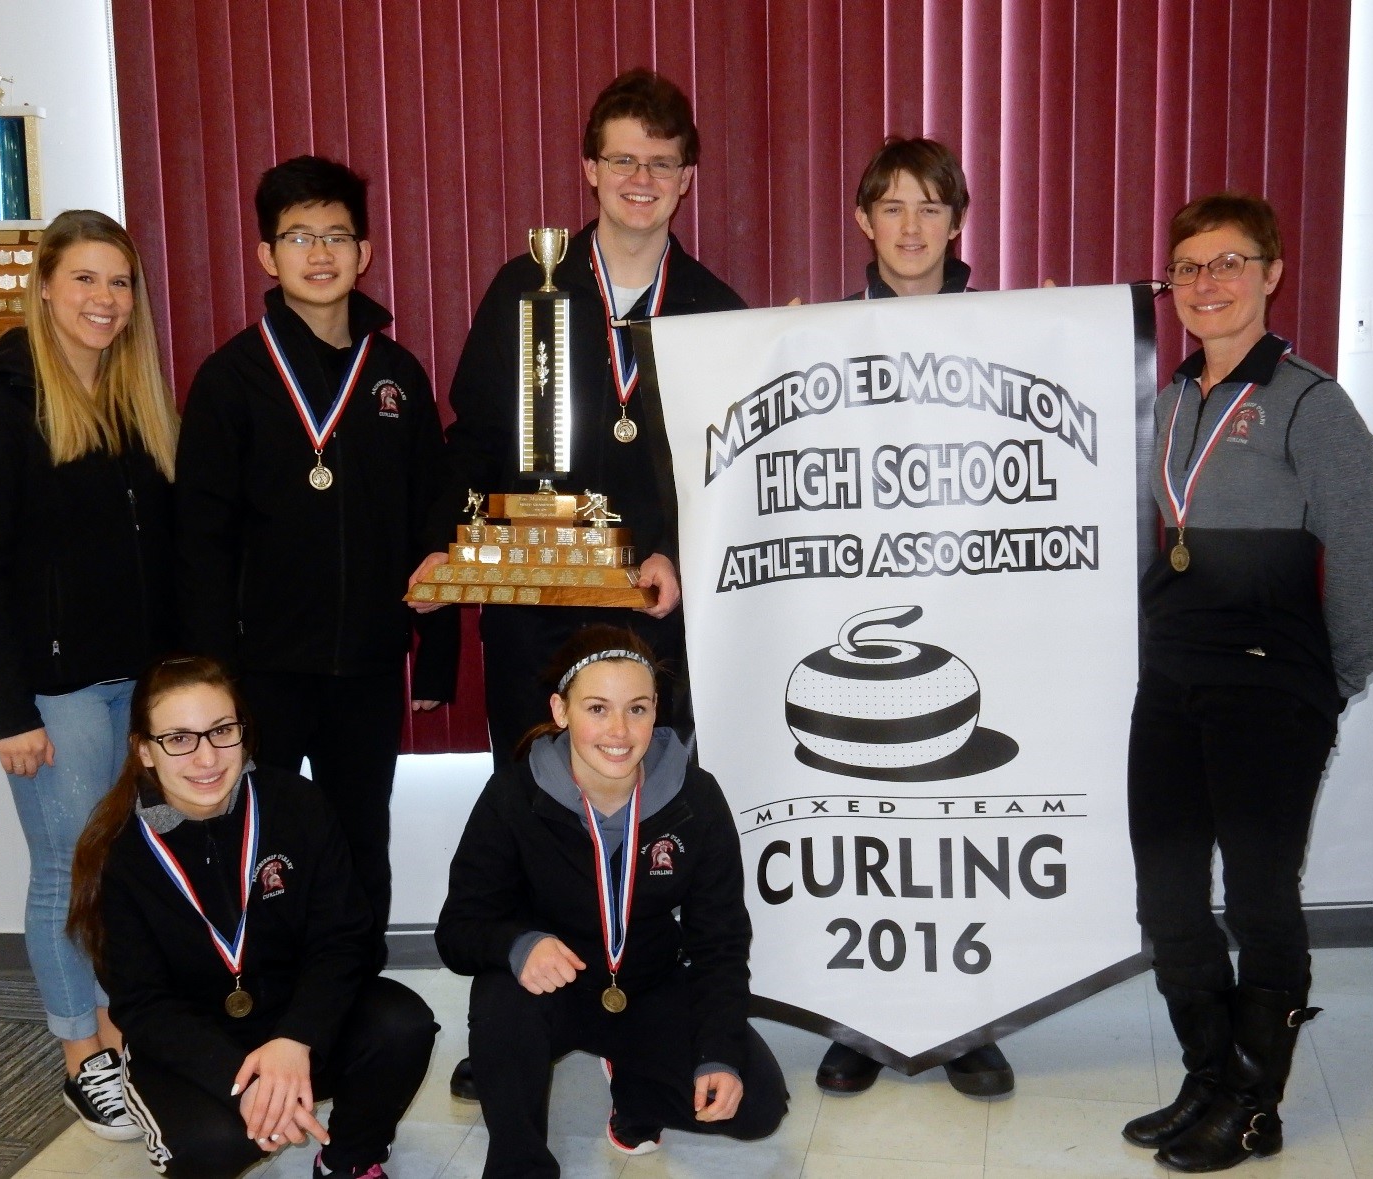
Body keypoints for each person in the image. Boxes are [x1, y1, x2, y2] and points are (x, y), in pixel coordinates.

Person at [1124, 192, 1373, 1172]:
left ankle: (1256, 1103)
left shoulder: (1315, 404)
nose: (1208, 284)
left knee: (1263, 898)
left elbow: (1363, 560)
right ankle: (1208, 1074)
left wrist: (1331, 682)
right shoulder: (1170, 399)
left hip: (1273, 687)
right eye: (1189, 267)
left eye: (1229, 263)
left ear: (1273, 273)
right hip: (1174, 680)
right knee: (1168, 895)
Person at [414, 68, 745, 766]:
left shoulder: (715, 311)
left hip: (652, 607)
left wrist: (678, 557)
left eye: (661, 163)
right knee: (535, 812)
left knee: (651, 820)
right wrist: (446, 542)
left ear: (686, 178)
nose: (641, 178)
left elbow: (728, 475)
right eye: (623, 159)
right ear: (590, 168)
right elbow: (475, 433)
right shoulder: (526, 288)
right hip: (532, 608)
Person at [176, 156, 459, 962]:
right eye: (298, 236)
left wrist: (432, 663)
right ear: (268, 255)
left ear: (364, 251)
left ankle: (356, 996)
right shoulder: (230, 380)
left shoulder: (396, 375)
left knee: (359, 839)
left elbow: (429, 527)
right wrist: (211, 679)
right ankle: (252, 996)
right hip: (258, 670)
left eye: (337, 234)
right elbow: (199, 539)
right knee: (249, 843)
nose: (320, 253)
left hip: (367, 666)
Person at [0, 209, 179, 1139]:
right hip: (59, 694)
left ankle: (123, 1033)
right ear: (43, 286)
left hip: (144, 686)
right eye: (86, 279)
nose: (105, 300)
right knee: (68, 872)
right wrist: (11, 714)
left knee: (135, 869)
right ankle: (78, 1055)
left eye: (119, 282)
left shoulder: (135, 397)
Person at [813, 136, 1015, 1101]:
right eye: (890, 206)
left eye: (929, 207)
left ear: (956, 221)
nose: (909, 226)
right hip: (856, 608)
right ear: (862, 220)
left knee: (956, 818)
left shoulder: (1004, 327)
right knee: (860, 817)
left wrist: (1061, 330)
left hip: (969, 605)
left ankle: (971, 1025)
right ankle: (858, 1023)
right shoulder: (815, 334)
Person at [435, 626, 788, 1177]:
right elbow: (458, 929)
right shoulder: (513, 794)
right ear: (560, 710)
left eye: (638, 709)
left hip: (647, 984)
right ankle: (518, 1164)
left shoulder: (696, 798)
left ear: (656, 715)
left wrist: (718, 1052)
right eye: (597, 708)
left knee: (758, 1106)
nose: (620, 731)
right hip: (550, 989)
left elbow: (718, 942)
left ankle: (635, 1095)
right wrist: (516, 944)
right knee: (501, 996)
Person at [66, 655, 438, 1178]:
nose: (206, 758)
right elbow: (143, 1005)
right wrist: (241, 1080)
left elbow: (343, 939)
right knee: (213, 1146)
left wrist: (296, 1038)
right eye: (179, 738)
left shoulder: (297, 805)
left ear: (245, 732)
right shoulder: (117, 851)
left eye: (222, 731)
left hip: (292, 1021)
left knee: (403, 1024)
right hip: (191, 1046)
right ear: (144, 751)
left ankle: (351, 1160)